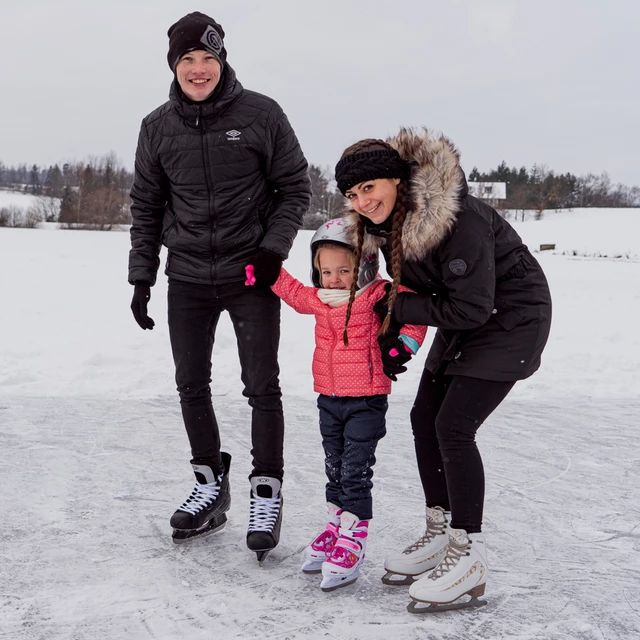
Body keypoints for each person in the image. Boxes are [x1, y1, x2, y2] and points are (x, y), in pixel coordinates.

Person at [334, 129, 552, 610]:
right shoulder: (387, 227)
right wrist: (396, 330)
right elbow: (420, 296)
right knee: (423, 421)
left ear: (396, 178)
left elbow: (469, 307)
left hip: (511, 320)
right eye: (352, 194)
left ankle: (466, 552)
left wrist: (401, 311)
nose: (362, 201)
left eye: (369, 187)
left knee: (453, 427)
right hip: (467, 320)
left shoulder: (458, 219)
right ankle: (440, 529)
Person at [127, 12, 311, 561]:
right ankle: (210, 480)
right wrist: (141, 275)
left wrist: (271, 250)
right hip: (185, 274)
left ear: (223, 60)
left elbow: (294, 188)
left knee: (261, 384)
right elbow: (146, 206)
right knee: (190, 383)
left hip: (249, 273)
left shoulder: (262, 114)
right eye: (188, 60)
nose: (199, 69)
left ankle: (266, 489)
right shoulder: (156, 127)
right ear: (174, 66)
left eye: (208, 58)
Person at [267, 218, 427, 591]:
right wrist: (266, 267)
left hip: (367, 401)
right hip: (329, 399)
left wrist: (403, 346)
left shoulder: (376, 295)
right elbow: (291, 291)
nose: (334, 278)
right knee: (335, 467)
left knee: (355, 471)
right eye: (326, 271)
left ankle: (354, 539)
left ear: (365, 266)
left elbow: (416, 311)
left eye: (344, 270)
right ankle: (336, 525)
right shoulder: (320, 301)